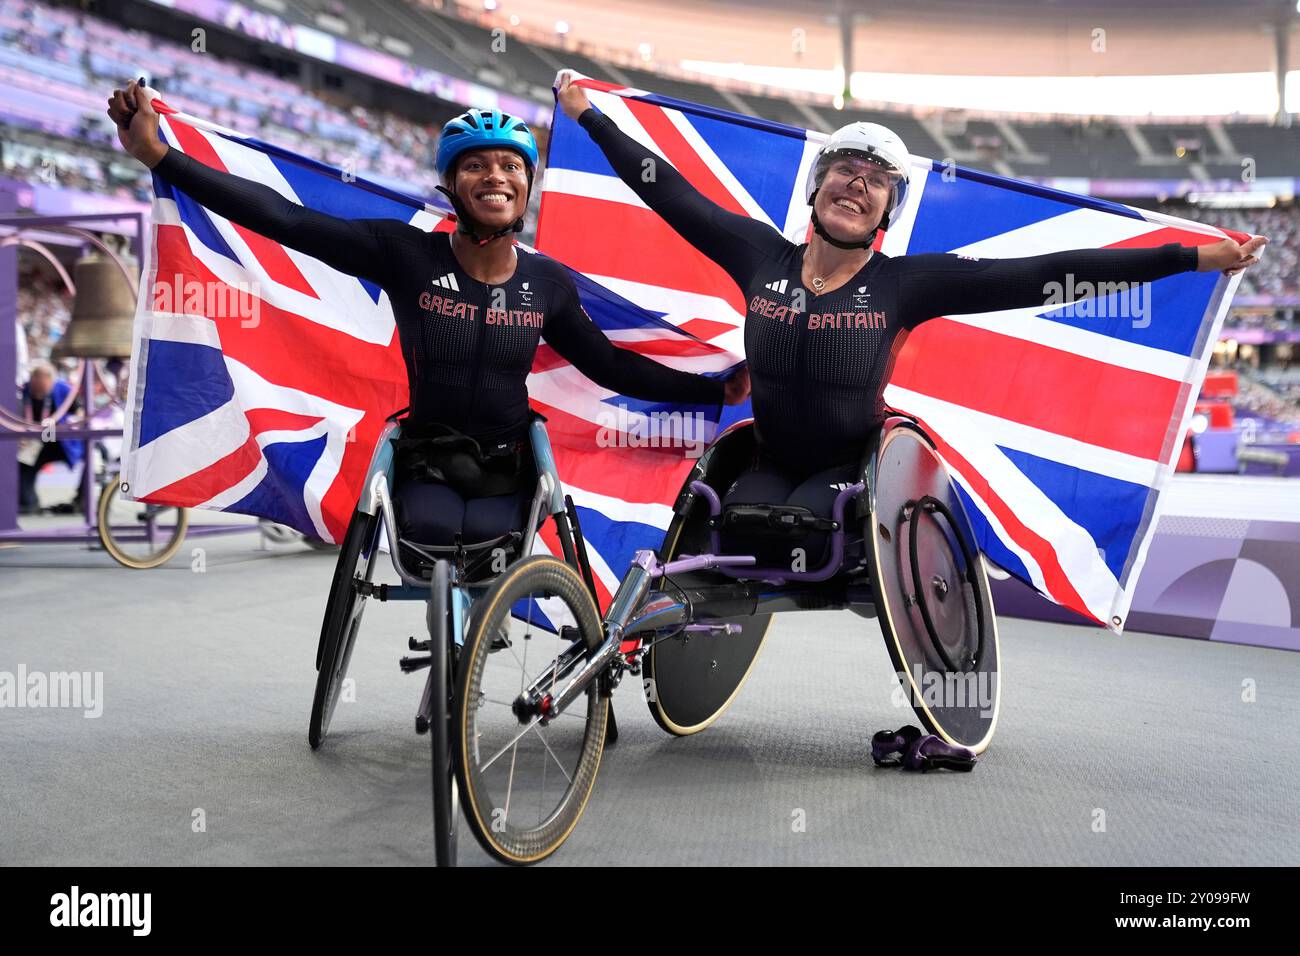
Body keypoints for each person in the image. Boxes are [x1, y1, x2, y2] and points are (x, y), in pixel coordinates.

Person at [556, 71, 1267, 566]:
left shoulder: (908, 283)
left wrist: (1191, 256)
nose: (857, 185)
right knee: (730, 523)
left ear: (886, 214)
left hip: (855, 467)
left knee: (804, 526)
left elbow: (1042, 277)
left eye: (875, 182)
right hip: (768, 458)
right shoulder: (756, 254)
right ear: (817, 188)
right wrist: (589, 113)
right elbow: (665, 190)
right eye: (845, 171)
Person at [107, 79, 748, 552]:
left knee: (495, 550)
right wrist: (163, 158)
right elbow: (285, 219)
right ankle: (454, 644)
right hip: (425, 460)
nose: (495, 175)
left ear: (526, 186)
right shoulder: (403, 253)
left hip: (513, 464)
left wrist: (710, 388)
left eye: (510, 166)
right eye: (476, 165)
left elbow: (606, 363)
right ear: (451, 184)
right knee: (440, 544)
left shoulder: (546, 283)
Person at [17, 361, 84, 515]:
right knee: (24, 468)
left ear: (51, 380)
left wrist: (68, 423)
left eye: (44, 380)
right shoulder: (22, 392)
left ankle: (82, 500)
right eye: (37, 379)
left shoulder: (63, 390)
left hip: (61, 441)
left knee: (94, 456)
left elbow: (79, 411)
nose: (40, 385)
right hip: (35, 443)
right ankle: (29, 503)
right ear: (31, 379)